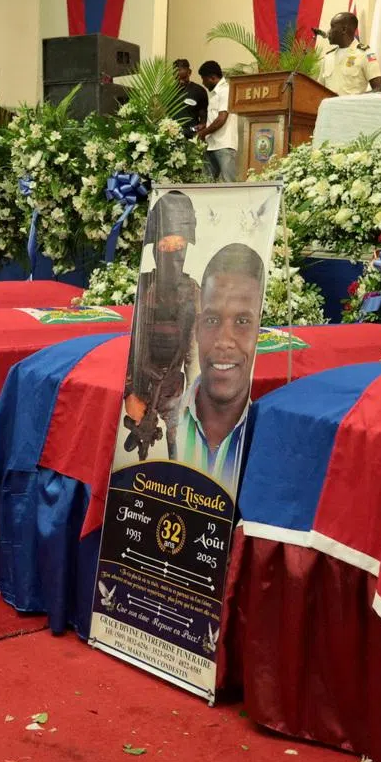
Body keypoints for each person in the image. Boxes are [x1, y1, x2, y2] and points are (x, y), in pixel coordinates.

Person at [174, 242, 265, 500]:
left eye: (243, 322)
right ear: (196, 328)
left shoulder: (269, 435)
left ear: (260, 331)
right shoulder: (160, 424)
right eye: (212, 320)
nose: (224, 340)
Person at [123, 192, 201, 458]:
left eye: (178, 246)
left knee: (179, 455)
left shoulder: (192, 291)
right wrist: (129, 393)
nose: (172, 253)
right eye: (165, 246)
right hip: (139, 393)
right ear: (155, 247)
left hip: (176, 392)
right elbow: (129, 344)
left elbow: (193, 353)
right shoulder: (143, 289)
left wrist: (193, 398)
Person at [320, 12, 381, 96]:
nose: (329, 31)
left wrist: (353, 100)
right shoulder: (328, 57)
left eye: (332, 27)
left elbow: (378, 90)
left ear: (343, 29)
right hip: (329, 108)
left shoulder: (364, 54)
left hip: (352, 108)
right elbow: (319, 89)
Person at [197, 61, 239, 181]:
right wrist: (203, 127)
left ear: (212, 77)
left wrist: (203, 133)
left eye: (203, 79)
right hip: (212, 144)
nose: (203, 83)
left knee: (228, 182)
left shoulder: (225, 90)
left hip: (224, 144)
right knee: (207, 182)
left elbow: (221, 118)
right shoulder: (214, 93)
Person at [173, 58, 207, 140]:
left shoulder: (199, 91)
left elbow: (203, 121)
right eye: (178, 79)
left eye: (184, 79)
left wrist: (194, 130)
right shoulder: (168, 91)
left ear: (189, 72)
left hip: (191, 134)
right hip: (171, 135)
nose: (181, 82)